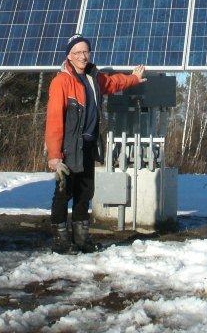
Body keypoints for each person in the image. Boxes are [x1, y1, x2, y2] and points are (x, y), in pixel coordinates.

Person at [44, 33, 146, 253]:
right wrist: (54, 155)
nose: (83, 56)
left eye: (85, 51)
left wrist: (134, 79)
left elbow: (113, 82)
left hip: (89, 145)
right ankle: (61, 241)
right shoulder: (61, 82)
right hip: (69, 148)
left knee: (85, 193)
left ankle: (81, 239)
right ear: (69, 56)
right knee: (64, 192)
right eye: (78, 52)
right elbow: (54, 120)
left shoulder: (93, 77)